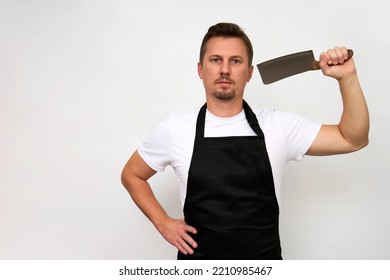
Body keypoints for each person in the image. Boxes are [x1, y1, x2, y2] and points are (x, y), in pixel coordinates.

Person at [121, 22, 369, 260]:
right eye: (216, 60)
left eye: (236, 61)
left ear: (249, 72)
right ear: (200, 69)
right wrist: (162, 222)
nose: (225, 69)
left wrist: (347, 77)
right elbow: (132, 174)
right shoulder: (175, 128)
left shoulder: (277, 125)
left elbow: (352, 139)